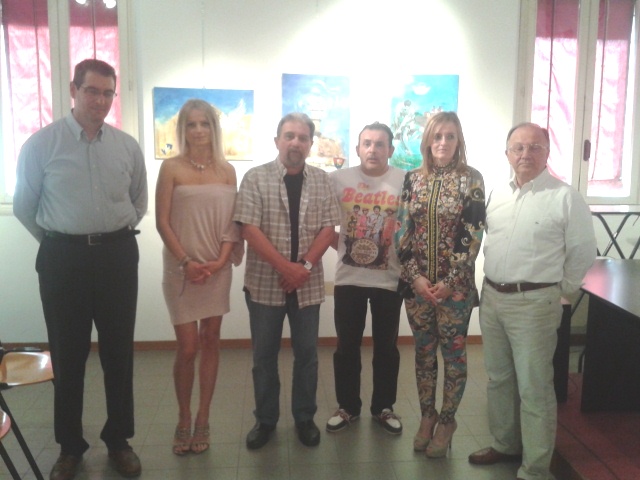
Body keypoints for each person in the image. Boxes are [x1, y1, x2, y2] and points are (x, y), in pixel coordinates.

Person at [13, 59, 148, 480]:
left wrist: (108, 238)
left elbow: (138, 201)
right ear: (74, 91)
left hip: (117, 256)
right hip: (63, 260)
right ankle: (70, 447)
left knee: (118, 353)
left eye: (108, 93)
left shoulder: (126, 146)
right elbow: (24, 207)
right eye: (92, 91)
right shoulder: (41, 145)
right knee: (67, 356)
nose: (100, 101)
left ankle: (119, 440)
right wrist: (60, 242)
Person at [468, 123, 596, 479]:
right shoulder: (497, 194)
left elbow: (583, 251)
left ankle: (536, 468)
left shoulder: (565, 197)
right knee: (499, 379)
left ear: (547, 152)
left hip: (535, 304)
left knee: (534, 387)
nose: (526, 154)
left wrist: (561, 290)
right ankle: (506, 444)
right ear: (507, 153)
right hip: (493, 299)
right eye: (518, 147)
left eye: (535, 147)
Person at [233, 112, 340, 450]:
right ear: (277, 140)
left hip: (307, 284)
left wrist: (303, 267)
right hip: (265, 284)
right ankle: (265, 420)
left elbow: (328, 229)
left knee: (307, 356)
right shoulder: (255, 178)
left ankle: (304, 418)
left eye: (303, 137)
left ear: (311, 143)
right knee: (264, 358)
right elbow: (249, 229)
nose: (296, 142)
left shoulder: (322, 180)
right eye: (289, 136)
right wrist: (286, 268)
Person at [394, 111, 485, 457]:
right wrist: (415, 277)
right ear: (427, 141)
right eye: (437, 136)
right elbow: (402, 230)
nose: (443, 142)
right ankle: (427, 417)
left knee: (454, 354)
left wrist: (449, 281)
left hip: (455, 291)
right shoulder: (413, 179)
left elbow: (472, 233)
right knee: (423, 353)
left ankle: (447, 421)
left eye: (450, 136)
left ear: (458, 140)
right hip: (417, 289)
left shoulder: (471, 179)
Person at [155, 99, 243, 456]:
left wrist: (221, 260)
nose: (198, 131)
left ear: (214, 128)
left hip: (217, 267)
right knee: (188, 347)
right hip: (182, 269)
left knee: (211, 339)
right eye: (191, 124)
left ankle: (203, 417)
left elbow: (233, 222)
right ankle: (183, 415)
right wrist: (186, 261)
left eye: (204, 124)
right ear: (182, 129)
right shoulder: (171, 168)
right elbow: (162, 222)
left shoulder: (227, 170)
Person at [326, 122, 406, 435]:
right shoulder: (338, 179)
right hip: (349, 279)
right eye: (367, 143)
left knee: (387, 348)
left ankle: (383, 407)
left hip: (390, 279)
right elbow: (324, 225)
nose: (373, 149)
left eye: (380, 144)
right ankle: (348, 407)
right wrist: (347, 249)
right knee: (347, 347)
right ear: (358, 148)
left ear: (391, 149)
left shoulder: (405, 180)